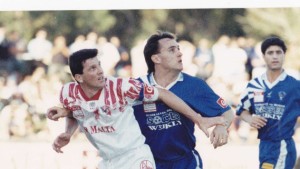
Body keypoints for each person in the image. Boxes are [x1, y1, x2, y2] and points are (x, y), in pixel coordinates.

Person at [47, 48, 225, 169]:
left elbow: (163, 94)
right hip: (107, 161)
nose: (101, 71)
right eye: (93, 68)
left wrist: (198, 118)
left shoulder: (122, 87)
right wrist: (68, 132)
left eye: (99, 65)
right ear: (79, 77)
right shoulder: (68, 93)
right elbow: (77, 111)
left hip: (135, 157)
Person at [133, 31, 234, 169]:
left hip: (185, 163)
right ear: (156, 59)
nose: (180, 53)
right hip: (147, 162)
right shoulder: (137, 87)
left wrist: (222, 126)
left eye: (178, 49)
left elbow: (227, 112)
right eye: (172, 50)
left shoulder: (193, 85)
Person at [236, 36, 300, 169]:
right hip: (264, 145)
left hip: (283, 146)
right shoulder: (254, 85)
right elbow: (242, 110)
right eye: (270, 53)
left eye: (279, 52)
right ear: (263, 57)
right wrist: (250, 119)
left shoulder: (294, 86)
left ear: (284, 55)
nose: (275, 56)